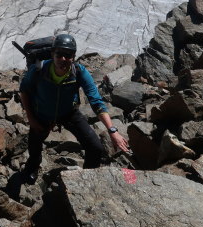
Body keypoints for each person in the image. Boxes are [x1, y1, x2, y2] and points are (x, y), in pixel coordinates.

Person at [19, 33, 130, 183]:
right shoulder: (39, 69)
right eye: (59, 54)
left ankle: (87, 181)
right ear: (52, 54)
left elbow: (96, 100)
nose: (63, 59)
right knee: (34, 146)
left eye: (68, 55)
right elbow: (24, 91)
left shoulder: (79, 72)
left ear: (73, 56)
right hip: (42, 113)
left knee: (95, 147)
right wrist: (31, 119)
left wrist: (112, 130)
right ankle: (32, 169)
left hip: (68, 113)